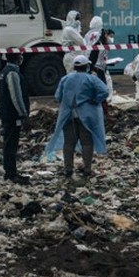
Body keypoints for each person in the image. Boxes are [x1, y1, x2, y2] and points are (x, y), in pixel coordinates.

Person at [52, 54, 110, 185]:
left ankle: (68, 169)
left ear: (74, 66)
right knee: (87, 143)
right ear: (86, 66)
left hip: (68, 115)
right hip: (86, 115)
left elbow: (57, 96)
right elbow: (105, 91)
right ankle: (87, 168)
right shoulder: (92, 79)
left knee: (69, 143)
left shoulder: (66, 79)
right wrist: (95, 100)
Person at [0, 51, 29, 185]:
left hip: (7, 113)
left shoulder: (5, 71)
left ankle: (11, 172)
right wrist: (23, 115)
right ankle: (11, 174)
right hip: (12, 115)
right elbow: (16, 96)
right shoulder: (12, 73)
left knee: (9, 143)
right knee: (11, 144)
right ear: (18, 58)